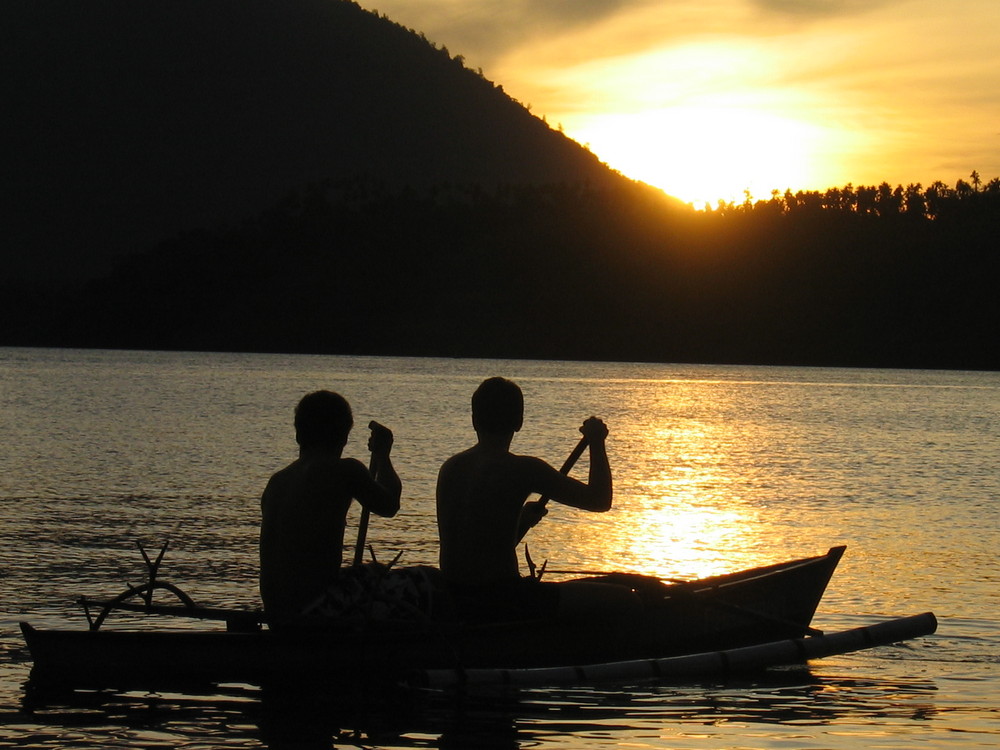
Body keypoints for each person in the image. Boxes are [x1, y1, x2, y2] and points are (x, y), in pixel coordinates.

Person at [436, 376, 638, 621]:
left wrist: (520, 522)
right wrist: (597, 442)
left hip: (453, 594)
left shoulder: (451, 467)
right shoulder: (524, 469)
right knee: (627, 598)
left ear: (474, 420)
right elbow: (599, 500)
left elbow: (475, 549)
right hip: (503, 598)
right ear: (519, 422)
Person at [259, 390, 401, 627]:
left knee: (373, 572)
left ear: (298, 434)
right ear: (343, 436)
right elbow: (389, 504)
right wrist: (382, 455)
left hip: (276, 613)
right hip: (313, 611)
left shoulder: (277, 481)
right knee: (427, 581)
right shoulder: (345, 470)